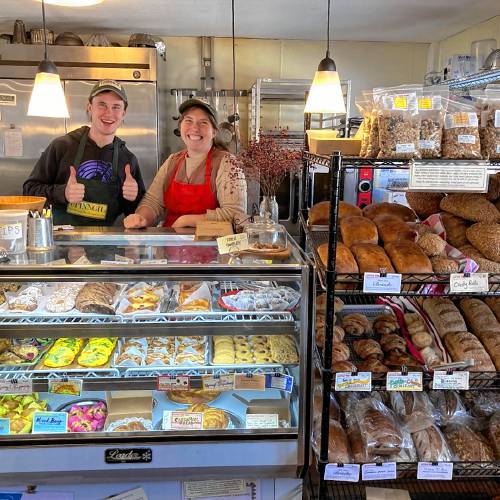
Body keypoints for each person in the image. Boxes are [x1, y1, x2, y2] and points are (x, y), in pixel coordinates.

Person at [23, 79, 145, 226]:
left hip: (104, 244)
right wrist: (63, 193)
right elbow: (29, 191)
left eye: (116, 107)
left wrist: (133, 198)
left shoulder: (128, 159)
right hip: (60, 242)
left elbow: (137, 217)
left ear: (123, 113)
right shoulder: (62, 146)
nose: (109, 113)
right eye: (102, 104)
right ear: (89, 107)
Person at [123, 98, 246, 229]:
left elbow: (235, 214)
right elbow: (153, 201)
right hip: (171, 246)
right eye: (188, 120)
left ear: (214, 132)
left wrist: (186, 221)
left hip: (211, 247)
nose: (194, 128)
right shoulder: (172, 161)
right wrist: (142, 218)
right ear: (180, 127)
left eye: (203, 122)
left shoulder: (229, 163)